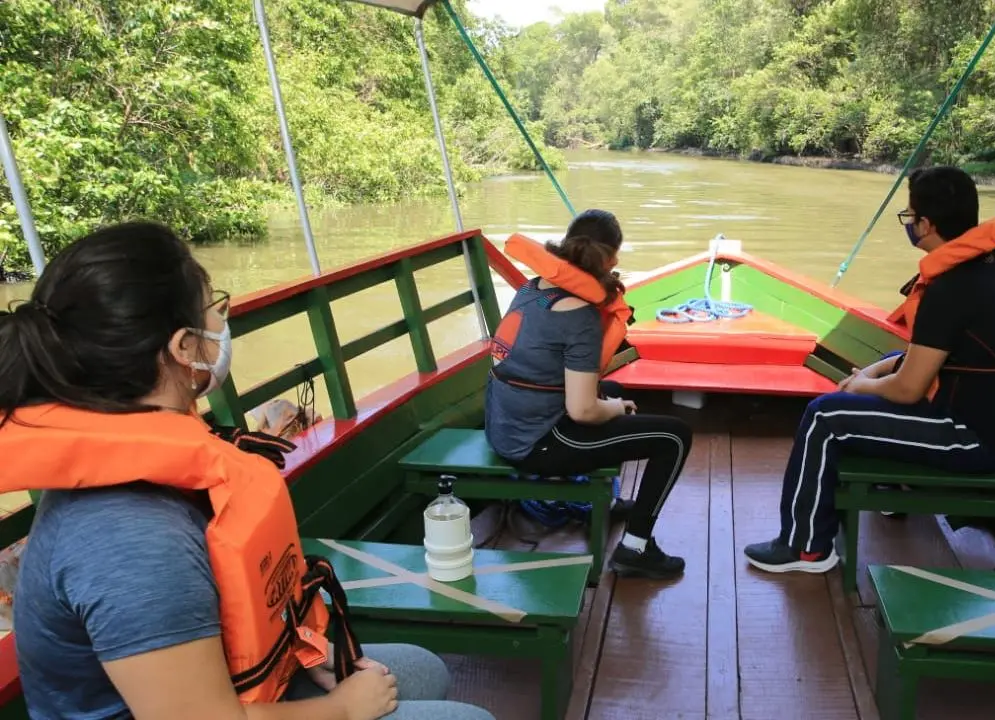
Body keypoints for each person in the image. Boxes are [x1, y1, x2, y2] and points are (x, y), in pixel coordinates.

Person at [0, 222, 494, 720]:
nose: (221, 320)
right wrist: (342, 710)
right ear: (185, 348)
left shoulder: (155, 448)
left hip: (235, 686)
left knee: (421, 669)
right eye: (214, 308)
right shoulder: (129, 537)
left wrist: (301, 652)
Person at [744, 165, 995, 573]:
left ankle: (805, 548)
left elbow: (907, 389)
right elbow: (921, 358)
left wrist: (858, 387)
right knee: (860, 393)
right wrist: (869, 375)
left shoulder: (951, 289)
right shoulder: (981, 269)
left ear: (926, 224)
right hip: (993, 422)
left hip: (976, 439)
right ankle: (887, 483)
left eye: (909, 217)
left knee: (824, 416)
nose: (909, 224)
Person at [485, 209, 692, 581]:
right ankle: (636, 549)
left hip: (504, 425)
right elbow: (581, 410)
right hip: (537, 442)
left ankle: (609, 503)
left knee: (612, 390)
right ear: (611, 258)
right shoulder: (579, 314)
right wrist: (613, 408)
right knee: (673, 437)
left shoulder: (532, 287)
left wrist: (611, 402)